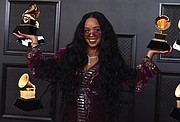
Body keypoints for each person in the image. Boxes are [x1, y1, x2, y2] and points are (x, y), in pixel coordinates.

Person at [13, 11, 172, 122]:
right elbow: (40, 70)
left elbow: (135, 82)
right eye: (87, 30)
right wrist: (34, 41)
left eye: (97, 30)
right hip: (70, 118)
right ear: (82, 33)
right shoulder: (68, 56)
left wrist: (151, 54)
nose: (91, 34)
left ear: (104, 32)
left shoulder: (111, 60)